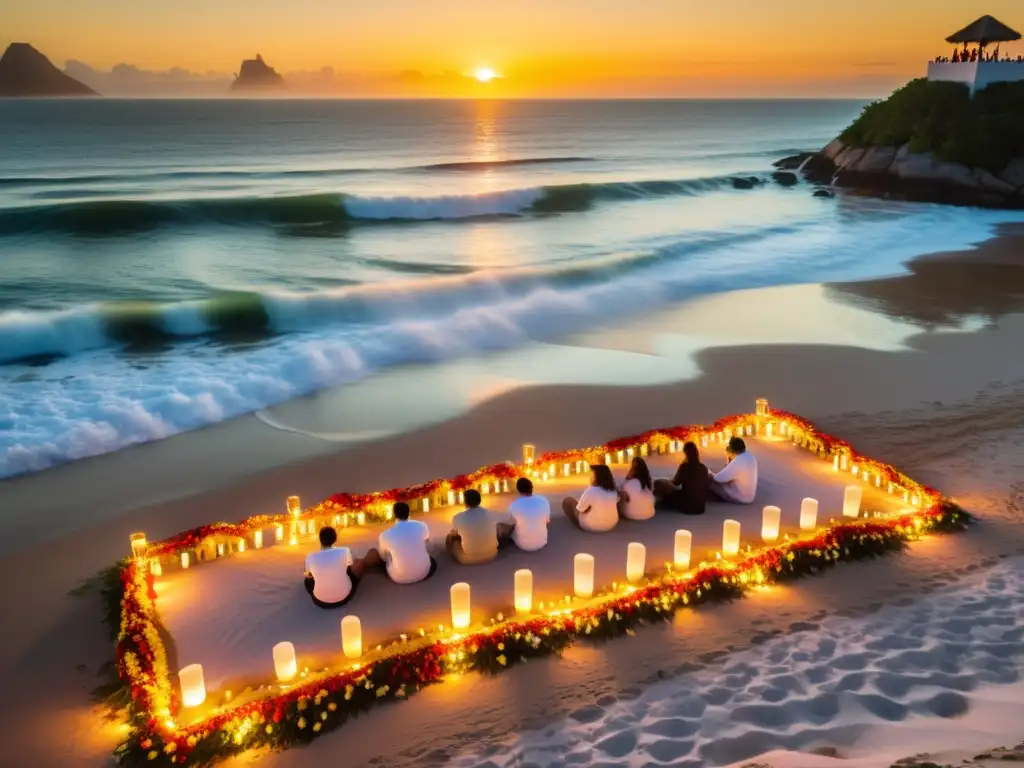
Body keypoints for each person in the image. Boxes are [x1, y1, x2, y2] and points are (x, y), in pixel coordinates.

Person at [365, 501, 436, 584]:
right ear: (409, 512)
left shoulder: (385, 535)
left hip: (399, 578)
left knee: (380, 558)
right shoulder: (421, 525)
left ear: (394, 515)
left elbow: (383, 557)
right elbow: (428, 545)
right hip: (425, 572)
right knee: (432, 560)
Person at [446, 489, 515, 565]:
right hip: (492, 554)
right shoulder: (490, 513)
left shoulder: (457, 517)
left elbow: (454, 533)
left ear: (465, 502)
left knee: (451, 538)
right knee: (498, 526)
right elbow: (509, 519)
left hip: (468, 559)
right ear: (479, 501)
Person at [304, 526, 364, 609]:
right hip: (345, 598)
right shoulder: (345, 551)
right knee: (350, 570)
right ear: (335, 539)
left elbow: (307, 574)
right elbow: (349, 565)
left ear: (320, 539)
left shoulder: (310, 556)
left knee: (307, 578)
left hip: (320, 601)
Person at [653, 441, 710, 515]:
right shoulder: (703, 468)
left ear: (686, 453)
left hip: (687, 505)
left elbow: (675, 483)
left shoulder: (685, 467)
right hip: (700, 507)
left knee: (658, 483)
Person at [562, 464, 619, 532]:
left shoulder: (591, 490)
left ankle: (577, 524)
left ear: (596, 477)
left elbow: (580, 509)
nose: (590, 477)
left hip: (592, 526)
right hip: (612, 524)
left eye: (592, 475)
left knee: (568, 501)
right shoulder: (613, 490)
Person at [709, 436, 758, 504]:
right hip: (749, 497)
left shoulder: (738, 461)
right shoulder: (750, 457)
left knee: (709, 479)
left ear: (733, 449)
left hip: (740, 497)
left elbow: (718, 479)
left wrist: (710, 473)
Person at [507, 477, 551, 551]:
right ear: (532, 488)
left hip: (523, 544)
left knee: (504, 526)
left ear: (518, 490)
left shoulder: (514, 504)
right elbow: (547, 523)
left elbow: (510, 524)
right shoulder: (543, 500)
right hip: (542, 542)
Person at [618, 457, 655, 521]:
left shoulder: (629, 483)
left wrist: (627, 478)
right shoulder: (648, 482)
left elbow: (620, 492)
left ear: (633, 470)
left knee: (619, 494)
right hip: (649, 513)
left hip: (631, 515)